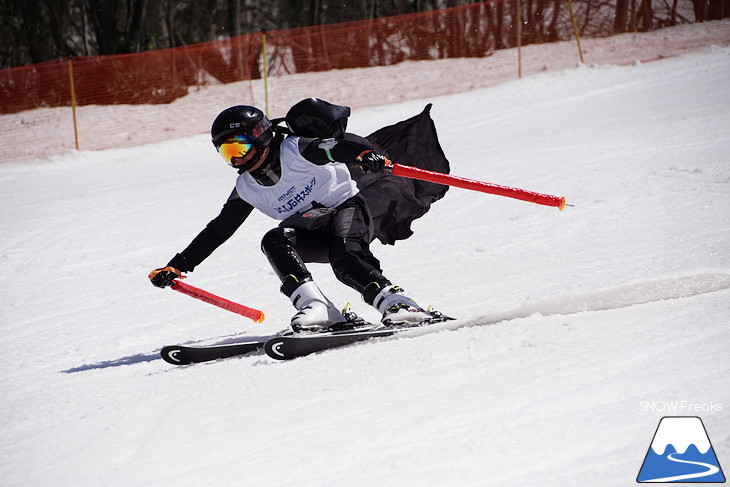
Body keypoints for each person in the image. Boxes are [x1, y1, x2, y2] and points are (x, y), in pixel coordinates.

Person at [149, 100, 433, 332]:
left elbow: (335, 147)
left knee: (345, 256)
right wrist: (177, 265)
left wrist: (362, 155)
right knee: (274, 239)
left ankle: (398, 303)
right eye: (228, 153)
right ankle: (318, 309)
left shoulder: (296, 149)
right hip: (311, 229)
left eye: (239, 147)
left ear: (259, 134)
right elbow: (217, 230)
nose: (237, 159)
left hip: (346, 209)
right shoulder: (247, 187)